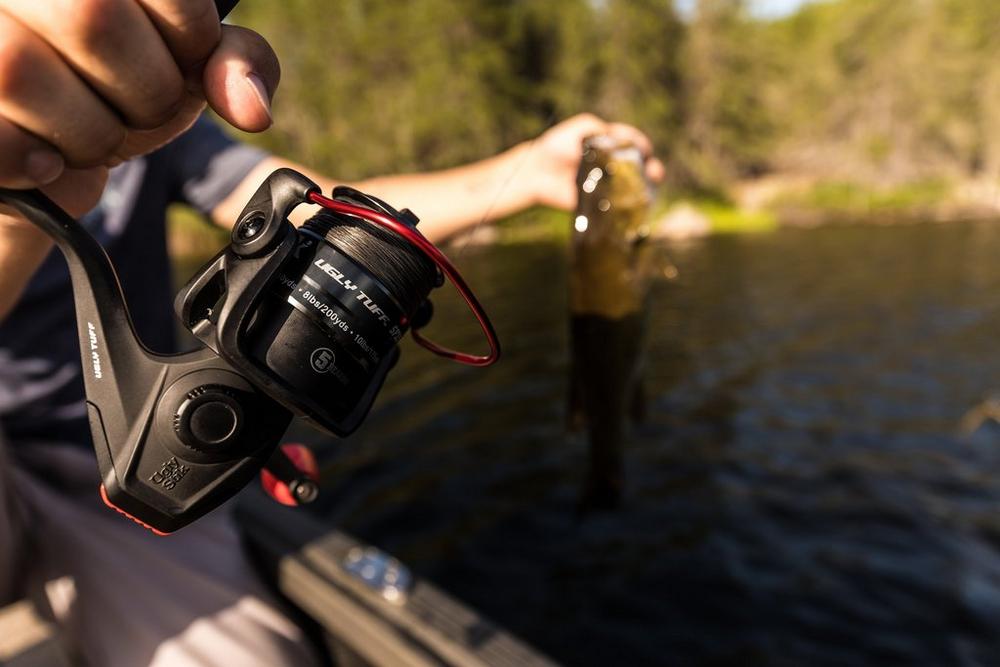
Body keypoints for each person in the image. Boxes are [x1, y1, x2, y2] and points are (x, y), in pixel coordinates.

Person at [0, 2, 665, 665]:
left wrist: (523, 169)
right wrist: (20, 201)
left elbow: (339, 223)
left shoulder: (166, 125)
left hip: (144, 462)